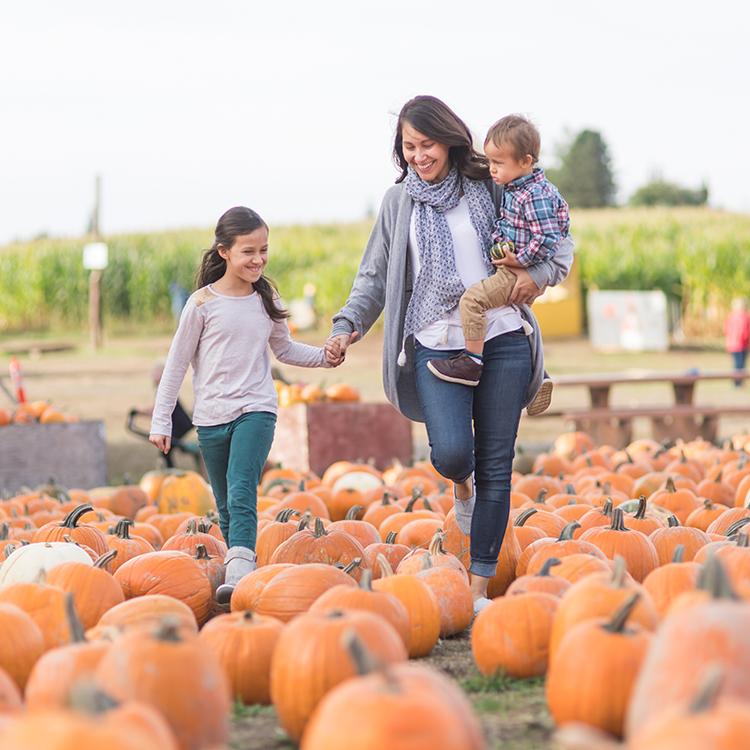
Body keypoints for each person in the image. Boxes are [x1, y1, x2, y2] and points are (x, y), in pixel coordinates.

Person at [326, 96, 573, 614]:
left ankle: (479, 586)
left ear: (449, 139)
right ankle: (462, 485)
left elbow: (558, 242)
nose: (418, 155)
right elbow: (374, 277)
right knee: (453, 454)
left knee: (498, 464)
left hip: (502, 333)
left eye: (427, 144)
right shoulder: (400, 203)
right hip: (434, 340)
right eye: (409, 147)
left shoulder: (491, 181)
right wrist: (347, 326)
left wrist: (536, 277)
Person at [150, 206, 340, 603]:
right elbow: (176, 366)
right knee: (224, 504)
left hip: (256, 409)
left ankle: (239, 575)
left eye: (263, 250)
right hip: (210, 418)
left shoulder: (265, 298)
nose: (258, 260)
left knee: (241, 491)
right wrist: (161, 420)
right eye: (248, 251)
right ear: (224, 252)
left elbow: (284, 349)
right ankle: (240, 565)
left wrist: (325, 355)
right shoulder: (201, 305)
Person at [426, 115, 568, 418]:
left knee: (473, 300)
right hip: (509, 264)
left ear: (526, 161)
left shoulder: (535, 195)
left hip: (514, 270)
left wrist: (522, 262)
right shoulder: (515, 187)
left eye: (499, 163)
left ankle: (472, 362)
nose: (492, 170)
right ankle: (537, 374)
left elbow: (549, 239)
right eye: (490, 161)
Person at [132, 361, 195, 469]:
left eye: (156, 373)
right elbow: (158, 410)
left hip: (181, 425)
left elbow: (157, 409)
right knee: (166, 450)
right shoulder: (162, 390)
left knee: (165, 449)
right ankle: (169, 471)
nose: (153, 376)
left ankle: (170, 473)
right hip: (179, 425)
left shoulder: (165, 390)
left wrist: (139, 411)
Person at [725, 297, 750, 387]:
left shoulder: (731, 316)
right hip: (741, 345)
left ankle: (737, 382)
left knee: (737, 364)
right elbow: (746, 332)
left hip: (733, 344)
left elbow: (727, 330)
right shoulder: (745, 317)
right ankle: (738, 382)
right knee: (740, 365)